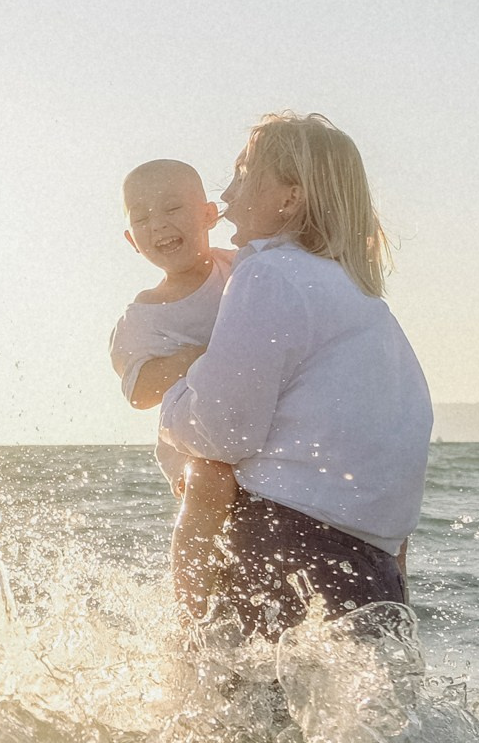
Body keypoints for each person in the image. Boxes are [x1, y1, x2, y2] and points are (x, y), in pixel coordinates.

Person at [151, 113, 433, 636]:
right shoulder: (365, 301)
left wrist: (171, 403)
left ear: (290, 198)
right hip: (376, 571)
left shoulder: (269, 274)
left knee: (221, 689)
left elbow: (222, 431)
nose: (226, 194)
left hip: (285, 548)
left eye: (243, 174)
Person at [106, 159, 241, 613]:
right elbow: (139, 391)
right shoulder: (142, 316)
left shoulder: (238, 268)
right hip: (193, 442)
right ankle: (189, 613)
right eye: (142, 217)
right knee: (211, 480)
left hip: (251, 423)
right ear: (131, 239)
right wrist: (202, 355)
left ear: (209, 215)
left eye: (171, 208)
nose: (158, 224)